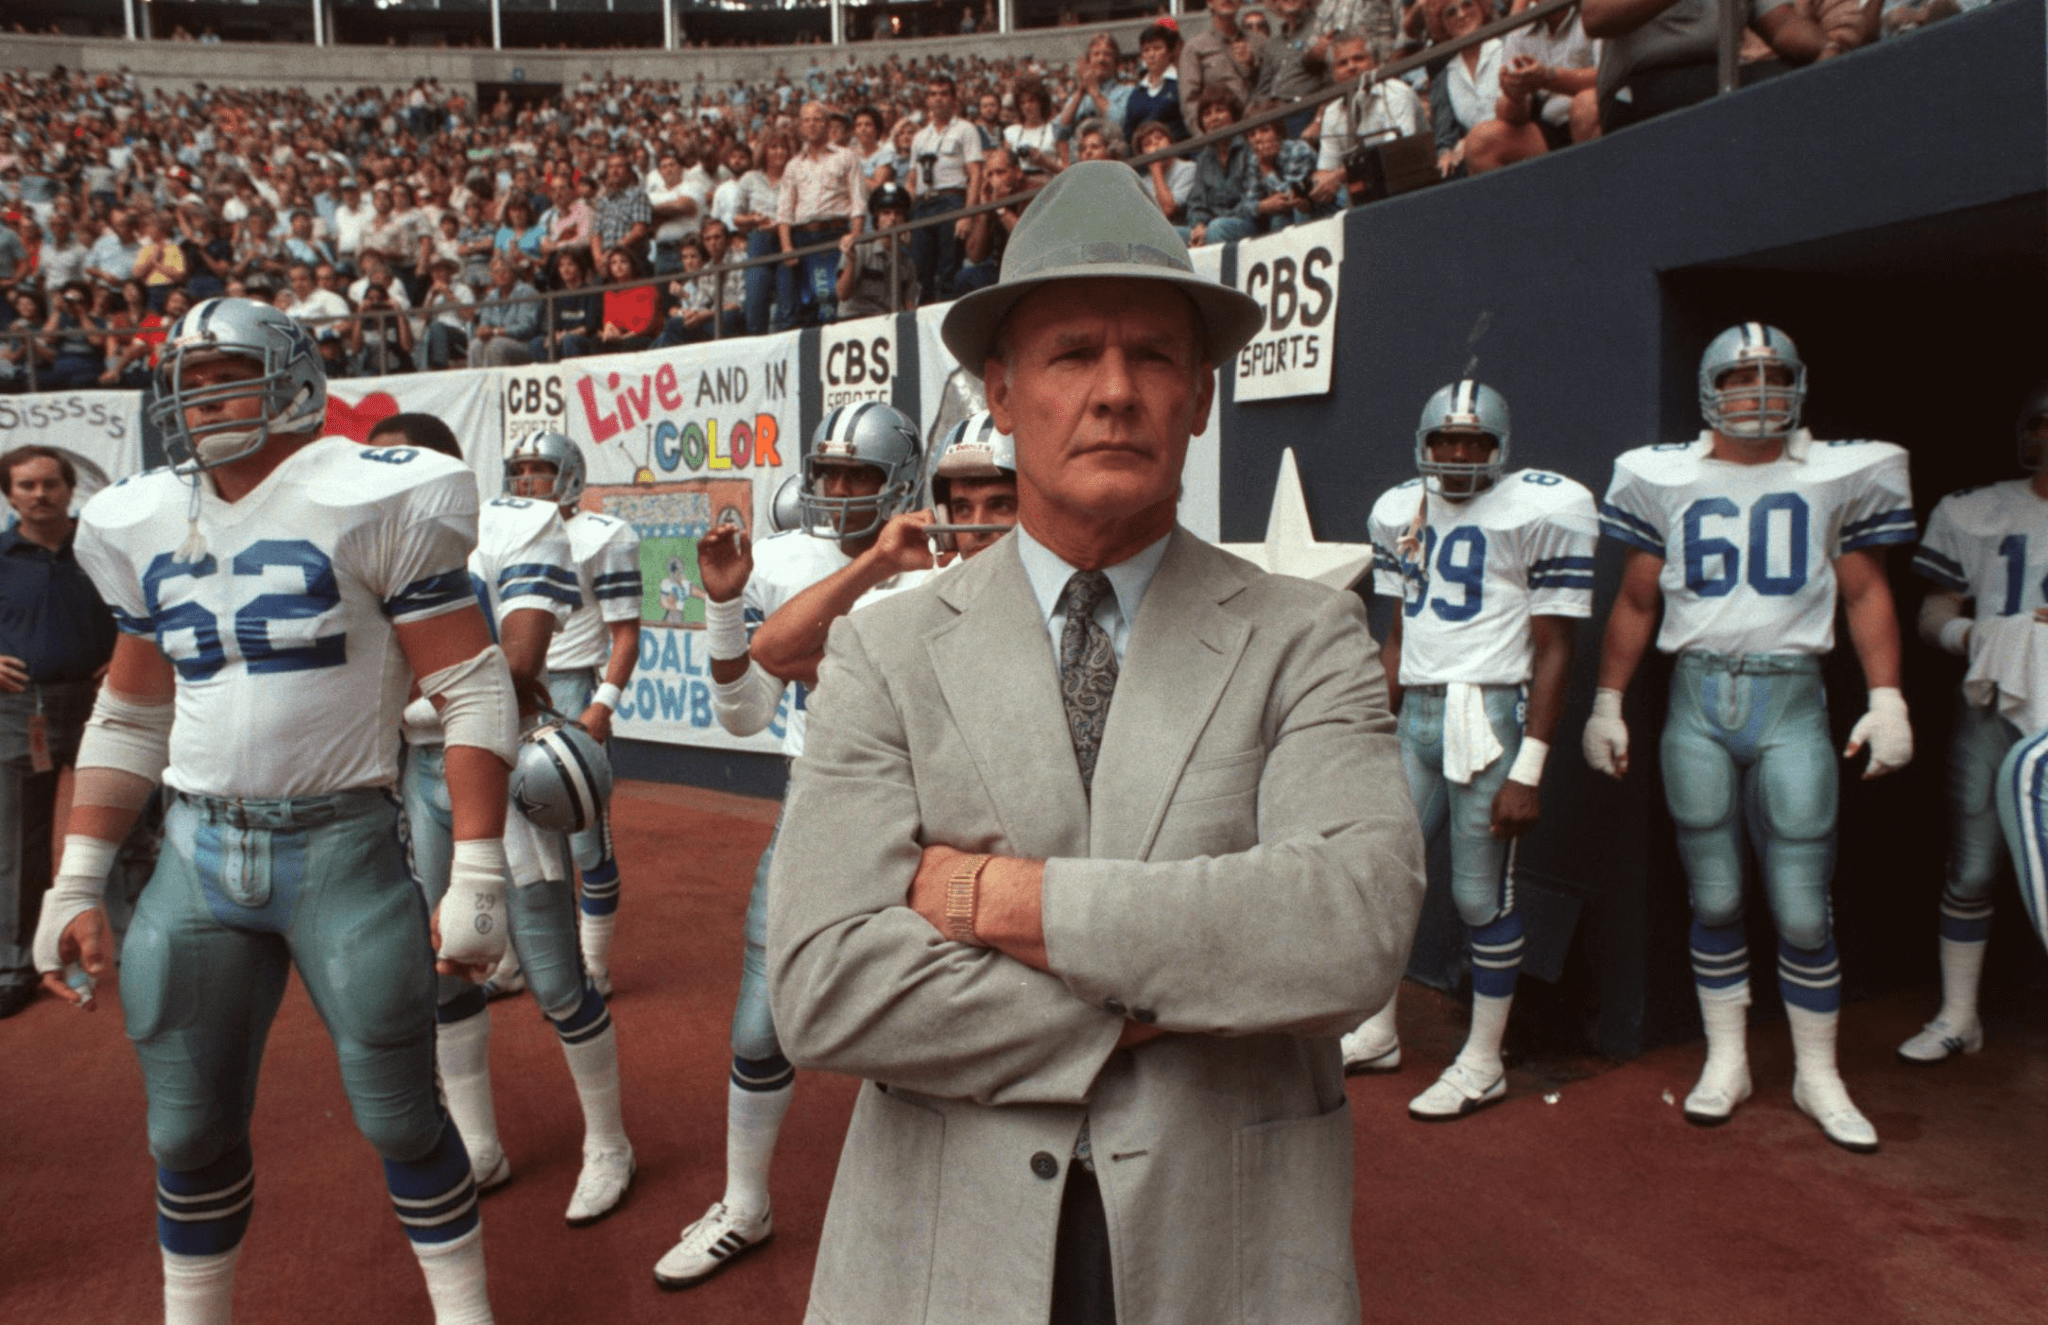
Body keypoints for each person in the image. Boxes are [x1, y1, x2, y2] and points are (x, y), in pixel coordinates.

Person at [764, 160, 1423, 1324]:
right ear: (1001, 394)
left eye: (1154, 355)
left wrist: (1000, 901)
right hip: (942, 1252)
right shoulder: (883, 650)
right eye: (1072, 354)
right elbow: (823, 987)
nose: (1114, 391)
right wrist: (1197, 973)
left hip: (1225, 1246)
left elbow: (1348, 929)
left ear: (1201, 395)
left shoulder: (1306, 633)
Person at [33, 298, 516, 1322]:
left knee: (397, 1114)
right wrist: (75, 877)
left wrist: (478, 865)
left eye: (227, 372)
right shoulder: (145, 514)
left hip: (341, 844)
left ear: (294, 376)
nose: (202, 396)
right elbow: (128, 711)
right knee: (183, 1129)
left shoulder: (374, 490)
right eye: (190, 376)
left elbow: (472, 685)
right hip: (195, 852)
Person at [1584, 323, 1916, 1153]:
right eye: (1741, 380)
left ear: (1801, 384)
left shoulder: (1833, 473)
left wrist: (1888, 697)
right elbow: (1635, 600)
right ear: (1711, 391)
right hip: (1696, 697)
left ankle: (1817, 1071)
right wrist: (1607, 700)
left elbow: (1866, 591)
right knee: (1718, 894)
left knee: (1803, 905)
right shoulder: (1663, 476)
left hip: (1793, 698)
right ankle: (1726, 1059)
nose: (1758, 394)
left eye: (1773, 377)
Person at [652, 402, 926, 1294]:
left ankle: (928, 1206)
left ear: (904, 486)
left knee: (925, 1021)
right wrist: (727, 608)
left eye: (861, 478)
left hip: (929, 820)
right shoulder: (786, 562)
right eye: (831, 475)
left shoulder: (940, 571)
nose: (841, 494)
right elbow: (745, 712)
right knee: (762, 1017)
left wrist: (820, 650)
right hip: (814, 805)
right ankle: (744, 1201)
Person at [379, 413, 637, 1229]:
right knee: (447, 967)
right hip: (414, 773)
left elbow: (519, 666)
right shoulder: (365, 540)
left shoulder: (513, 525)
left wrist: (389, 703)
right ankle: (479, 1142)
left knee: (556, 977)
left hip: (495, 757)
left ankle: (609, 1141)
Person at [1344, 382, 1597, 1115]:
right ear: (1423, 446)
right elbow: (1396, 636)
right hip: (1417, 711)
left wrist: (1531, 765)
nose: (1457, 456)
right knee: (1386, 876)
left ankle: (1483, 1059)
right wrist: (1365, 728)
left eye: (1475, 443)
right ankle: (1378, 1030)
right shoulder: (1401, 511)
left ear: (1500, 448)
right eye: (1444, 442)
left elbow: (1555, 649)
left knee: (1479, 895)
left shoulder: (1539, 508)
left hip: (1485, 715)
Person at [1896, 382, 2048, 1063]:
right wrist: (1981, 637)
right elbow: (1933, 612)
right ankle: (1960, 1014)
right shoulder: (1976, 509)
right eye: (2041, 423)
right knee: (1974, 863)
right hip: (1993, 699)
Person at [505, 431, 643, 996]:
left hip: (567, 691)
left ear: (570, 474)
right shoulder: (505, 531)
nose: (527, 480)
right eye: (520, 470)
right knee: (512, 836)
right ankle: (512, 958)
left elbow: (627, 634)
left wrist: (601, 704)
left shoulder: (603, 536)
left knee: (586, 840)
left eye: (540, 468)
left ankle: (592, 963)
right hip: (513, 687)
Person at [0, 446, 118, 1020]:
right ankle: (14, 966)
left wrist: (127, 652)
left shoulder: (102, 546)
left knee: (129, 834)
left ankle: (143, 952)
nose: (39, 494)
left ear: (72, 490)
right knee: (17, 845)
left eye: (51, 484)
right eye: (26, 485)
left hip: (108, 704)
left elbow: (148, 607)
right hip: (22, 710)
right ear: (9, 493)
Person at [1310, 32, 1427, 210]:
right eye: (1342, 63)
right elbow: (1326, 168)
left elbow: (1399, 153)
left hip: (1410, 181)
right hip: (1361, 190)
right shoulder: (1332, 112)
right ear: (1333, 73)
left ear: (1374, 62)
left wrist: (1341, 174)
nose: (1351, 67)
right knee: (1308, 205)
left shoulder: (1396, 92)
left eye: (1359, 59)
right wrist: (1319, 184)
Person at [781, 101, 868, 329]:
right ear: (800, 126)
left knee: (835, 300)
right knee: (808, 303)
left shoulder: (846, 157)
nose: (812, 124)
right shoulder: (793, 165)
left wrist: (855, 236)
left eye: (818, 119)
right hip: (803, 238)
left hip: (835, 234)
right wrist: (787, 246)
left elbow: (858, 200)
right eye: (807, 120)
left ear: (827, 124)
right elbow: (785, 211)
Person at [907, 75, 983, 303]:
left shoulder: (966, 130)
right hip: (923, 203)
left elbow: (976, 174)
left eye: (943, 94)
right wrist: (906, 214)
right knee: (920, 271)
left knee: (948, 270)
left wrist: (967, 214)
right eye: (933, 94)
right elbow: (912, 178)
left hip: (951, 200)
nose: (938, 99)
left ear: (953, 99)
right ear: (927, 100)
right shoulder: (920, 136)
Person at [834, 183, 918, 320]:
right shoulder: (860, 250)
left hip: (888, 324)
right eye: (886, 213)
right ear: (876, 220)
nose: (892, 218)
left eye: (898, 213)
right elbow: (842, 295)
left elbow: (909, 304)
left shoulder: (907, 263)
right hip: (854, 321)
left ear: (904, 221)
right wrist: (851, 261)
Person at [1181, 0, 1268, 117]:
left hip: (1259, 124)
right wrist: (1203, 134)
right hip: (1221, 128)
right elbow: (1189, 101)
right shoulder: (1195, 47)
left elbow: (1271, 85)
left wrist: (1252, 65)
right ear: (1209, 3)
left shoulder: (1260, 42)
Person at [1124, 23, 1188, 145]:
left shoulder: (1182, 84)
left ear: (1170, 52)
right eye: (1146, 50)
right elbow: (1129, 134)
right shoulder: (1136, 94)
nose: (1152, 54)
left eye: (1157, 48)